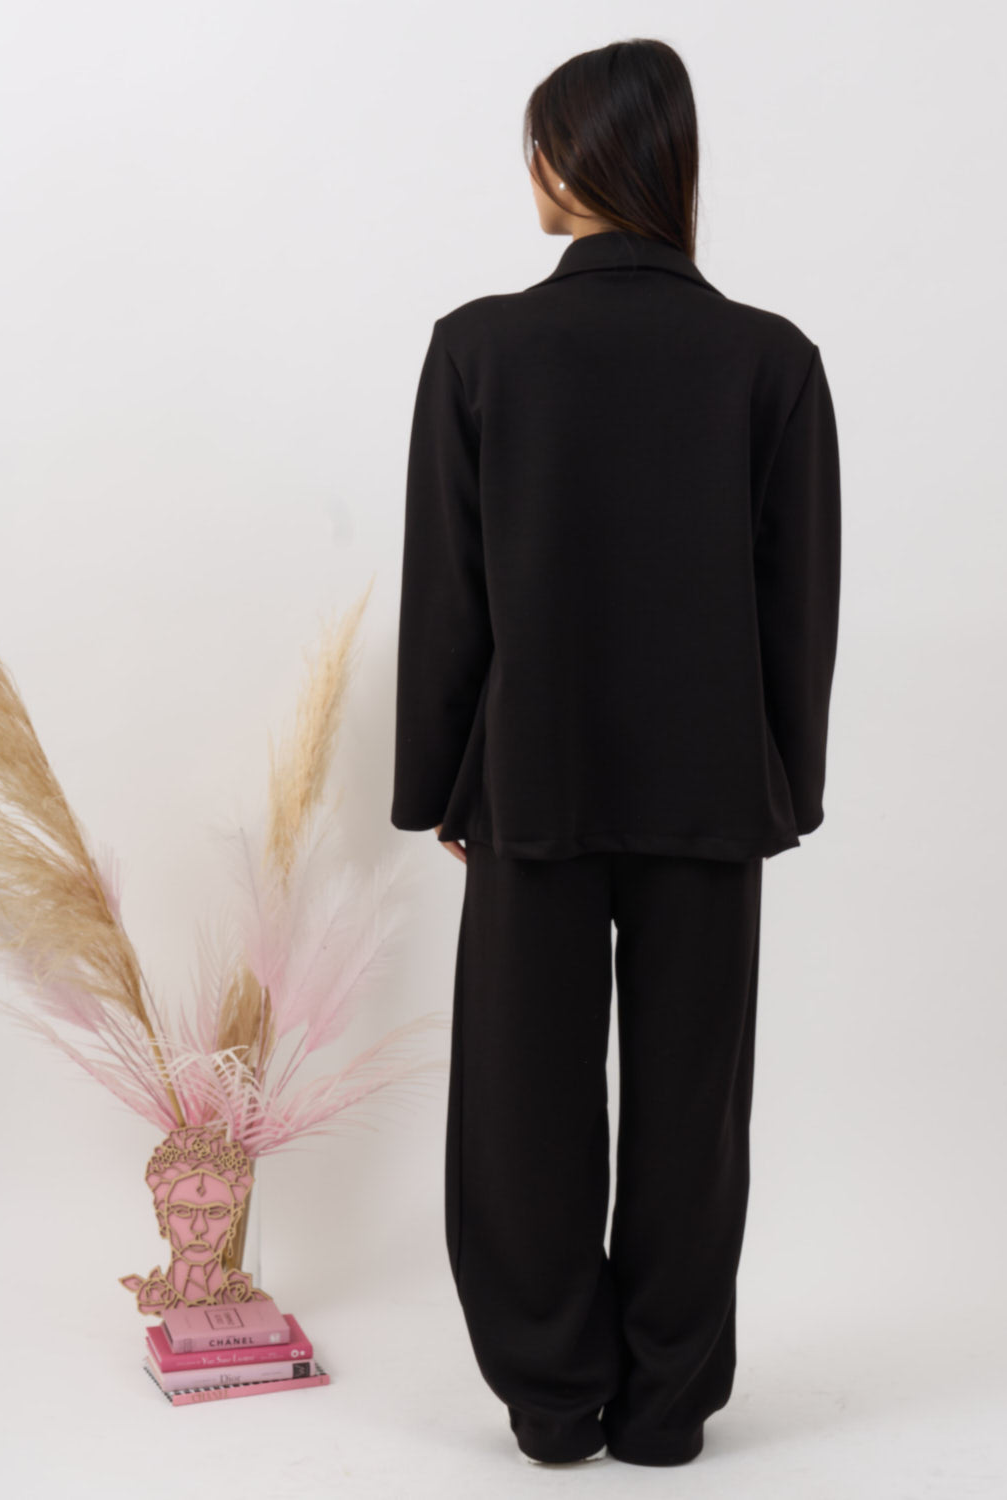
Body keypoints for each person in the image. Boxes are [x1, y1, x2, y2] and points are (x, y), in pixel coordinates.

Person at [391, 38, 841, 1468]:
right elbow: (798, 602)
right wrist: (783, 785)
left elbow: (450, 594)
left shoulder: (480, 349)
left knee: (521, 1100)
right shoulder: (770, 360)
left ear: (565, 162)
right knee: (693, 1107)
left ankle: (551, 1396)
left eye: (535, 145)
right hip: (712, 787)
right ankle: (664, 1404)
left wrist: (438, 781)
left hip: (533, 781)